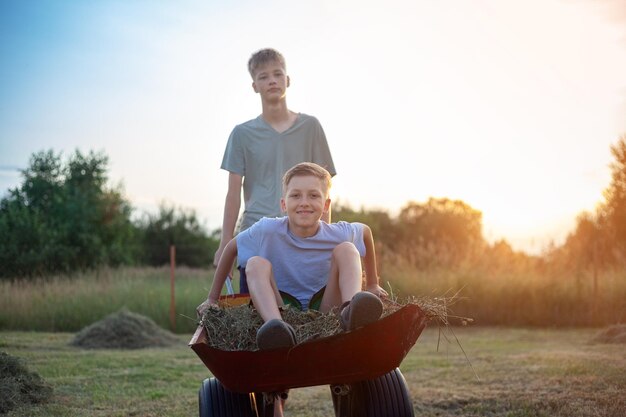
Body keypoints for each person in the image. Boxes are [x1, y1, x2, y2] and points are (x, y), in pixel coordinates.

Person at [215, 48, 336, 294]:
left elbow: (325, 190)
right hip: (257, 238)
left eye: (277, 74)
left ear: (287, 80)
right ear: (254, 86)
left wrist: (324, 239)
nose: (272, 80)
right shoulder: (242, 134)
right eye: (263, 76)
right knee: (257, 323)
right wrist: (225, 243)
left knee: (307, 319)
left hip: (302, 236)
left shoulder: (311, 127)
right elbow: (232, 193)